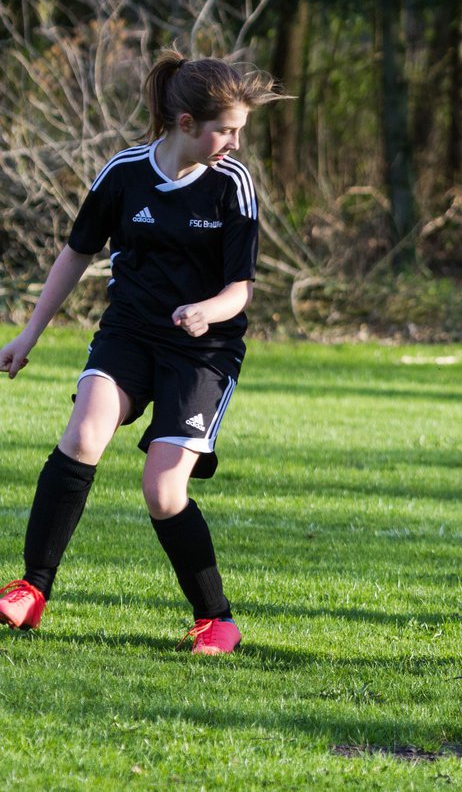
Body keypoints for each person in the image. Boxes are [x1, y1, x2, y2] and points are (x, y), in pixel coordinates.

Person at [0, 49, 288, 654]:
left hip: (202, 350)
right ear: (186, 124)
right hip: (130, 329)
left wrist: (204, 311)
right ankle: (31, 588)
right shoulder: (124, 173)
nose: (235, 142)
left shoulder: (232, 184)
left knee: (162, 491)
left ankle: (216, 618)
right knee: (82, 436)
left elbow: (241, 290)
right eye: (226, 130)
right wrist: (29, 334)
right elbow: (76, 254)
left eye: (239, 130)